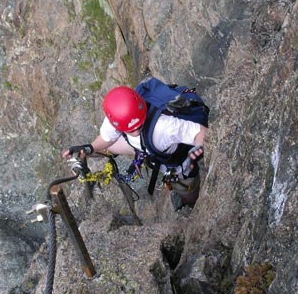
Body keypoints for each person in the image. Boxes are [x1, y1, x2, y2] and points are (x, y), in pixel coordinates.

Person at [62, 83, 207, 210]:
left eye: (139, 126)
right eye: (131, 130)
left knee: (187, 190)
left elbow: (201, 132)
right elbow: (106, 139)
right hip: (148, 146)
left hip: (178, 158)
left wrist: (197, 149)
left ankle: (191, 203)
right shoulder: (118, 116)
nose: (136, 131)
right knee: (111, 147)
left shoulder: (164, 127)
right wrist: (89, 148)